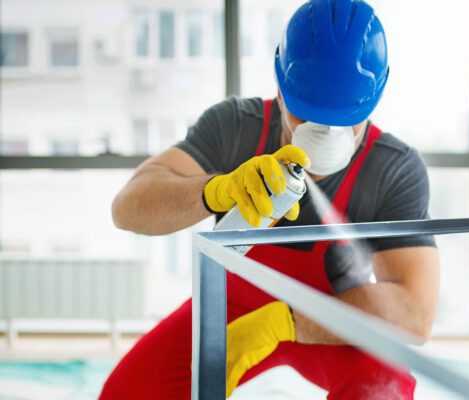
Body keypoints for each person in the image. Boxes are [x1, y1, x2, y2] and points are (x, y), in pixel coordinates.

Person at [102, 0, 440, 398]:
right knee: (128, 391)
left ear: (375, 97)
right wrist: (216, 190)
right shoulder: (235, 127)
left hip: (331, 315)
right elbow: (128, 208)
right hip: (229, 307)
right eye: (308, 114)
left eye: (346, 119)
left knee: (384, 388)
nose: (326, 131)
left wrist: (286, 322)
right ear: (281, 88)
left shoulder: (391, 168)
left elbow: (414, 312)